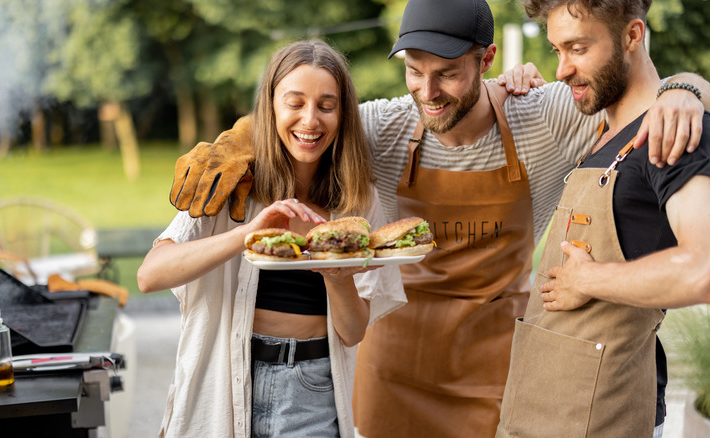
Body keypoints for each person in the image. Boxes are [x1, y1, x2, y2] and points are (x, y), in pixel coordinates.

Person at [166, 0, 710, 435]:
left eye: (447, 74)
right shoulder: (384, 127)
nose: (428, 92)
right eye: (414, 72)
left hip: (493, 374)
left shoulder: (546, 117)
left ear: (487, 59)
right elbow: (305, 113)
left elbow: (637, 96)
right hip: (394, 373)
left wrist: (687, 88)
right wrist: (237, 138)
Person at [137, 39, 406, 438]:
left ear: (344, 114)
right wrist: (248, 233)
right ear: (271, 106)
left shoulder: (357, 200)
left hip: (310, 396)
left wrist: (336, 275)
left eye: (326, 106)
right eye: (294, 103)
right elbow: (150, 275)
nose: (310, 121)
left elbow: (352, 332)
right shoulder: (233, 182)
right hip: (224, 379)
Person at [495, 1, 710, 437]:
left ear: (633, 36)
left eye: (577, 48)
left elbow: (703, 268)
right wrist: (688, 83)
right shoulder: (605, 131)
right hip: (542, 408)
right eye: (557, 50)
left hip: (603, 415)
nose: (561, 69)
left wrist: (588, 281)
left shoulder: (670, 130)